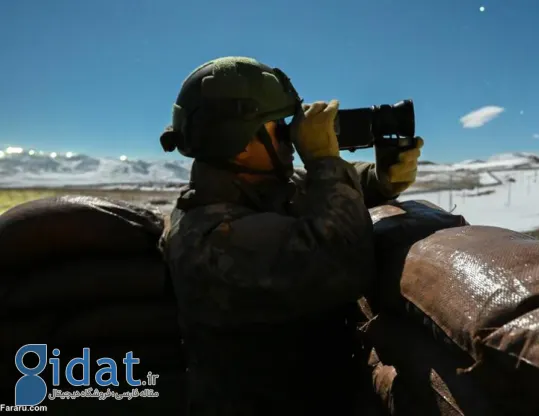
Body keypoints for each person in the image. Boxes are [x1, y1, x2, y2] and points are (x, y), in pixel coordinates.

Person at [157, 56, 423, 415]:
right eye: (277, 125)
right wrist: (324, 160)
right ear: (238, 139)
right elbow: (343, 260)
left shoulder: (257, 187)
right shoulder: (207, 236)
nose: (290, 136)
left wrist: (379, 178)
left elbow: (308, 189)